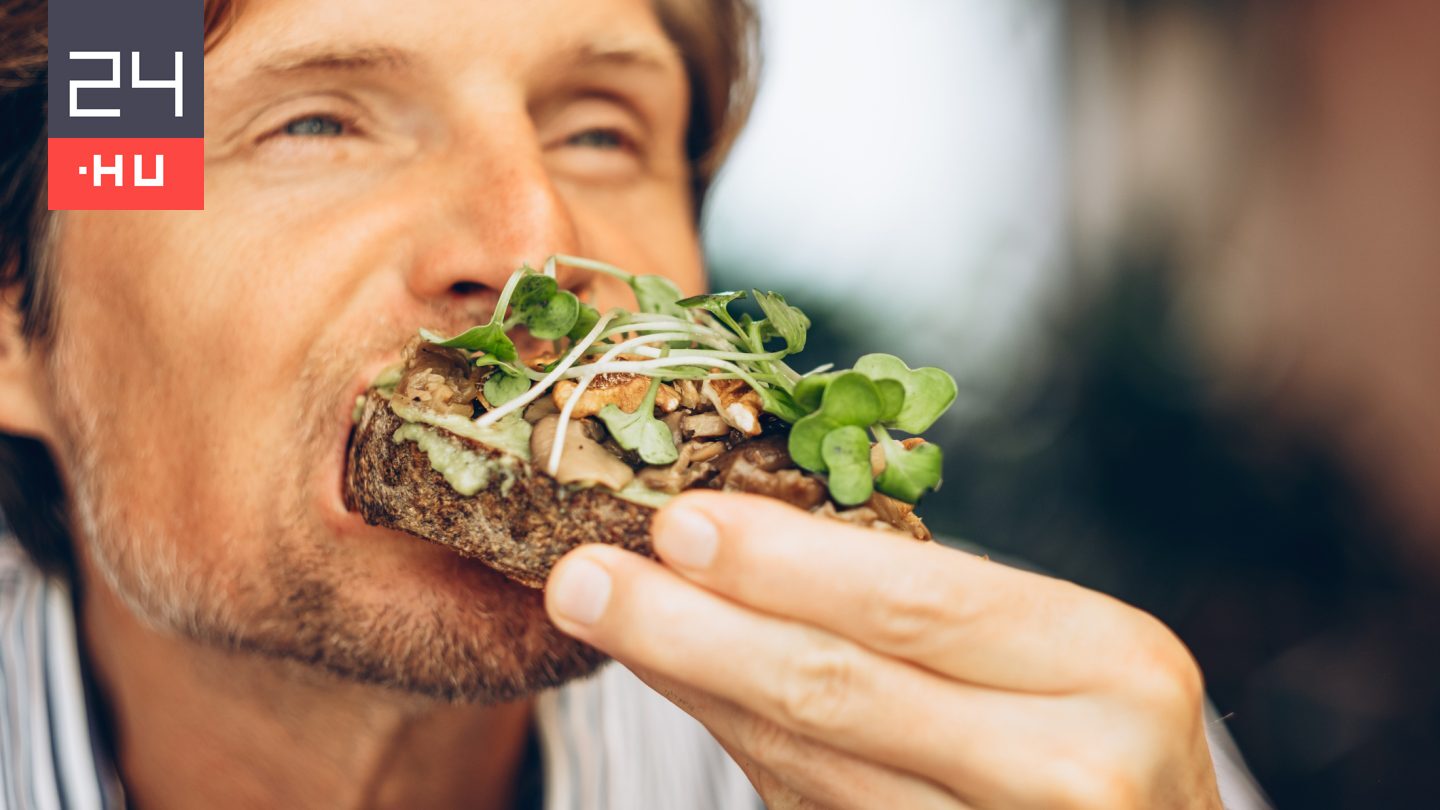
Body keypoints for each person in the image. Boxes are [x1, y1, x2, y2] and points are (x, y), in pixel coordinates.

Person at [0, 0, 1264, 807]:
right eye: (316, 121)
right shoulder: (128, 21)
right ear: (17, 327)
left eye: (601, 133)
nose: (536, 243)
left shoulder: (1027, 738)